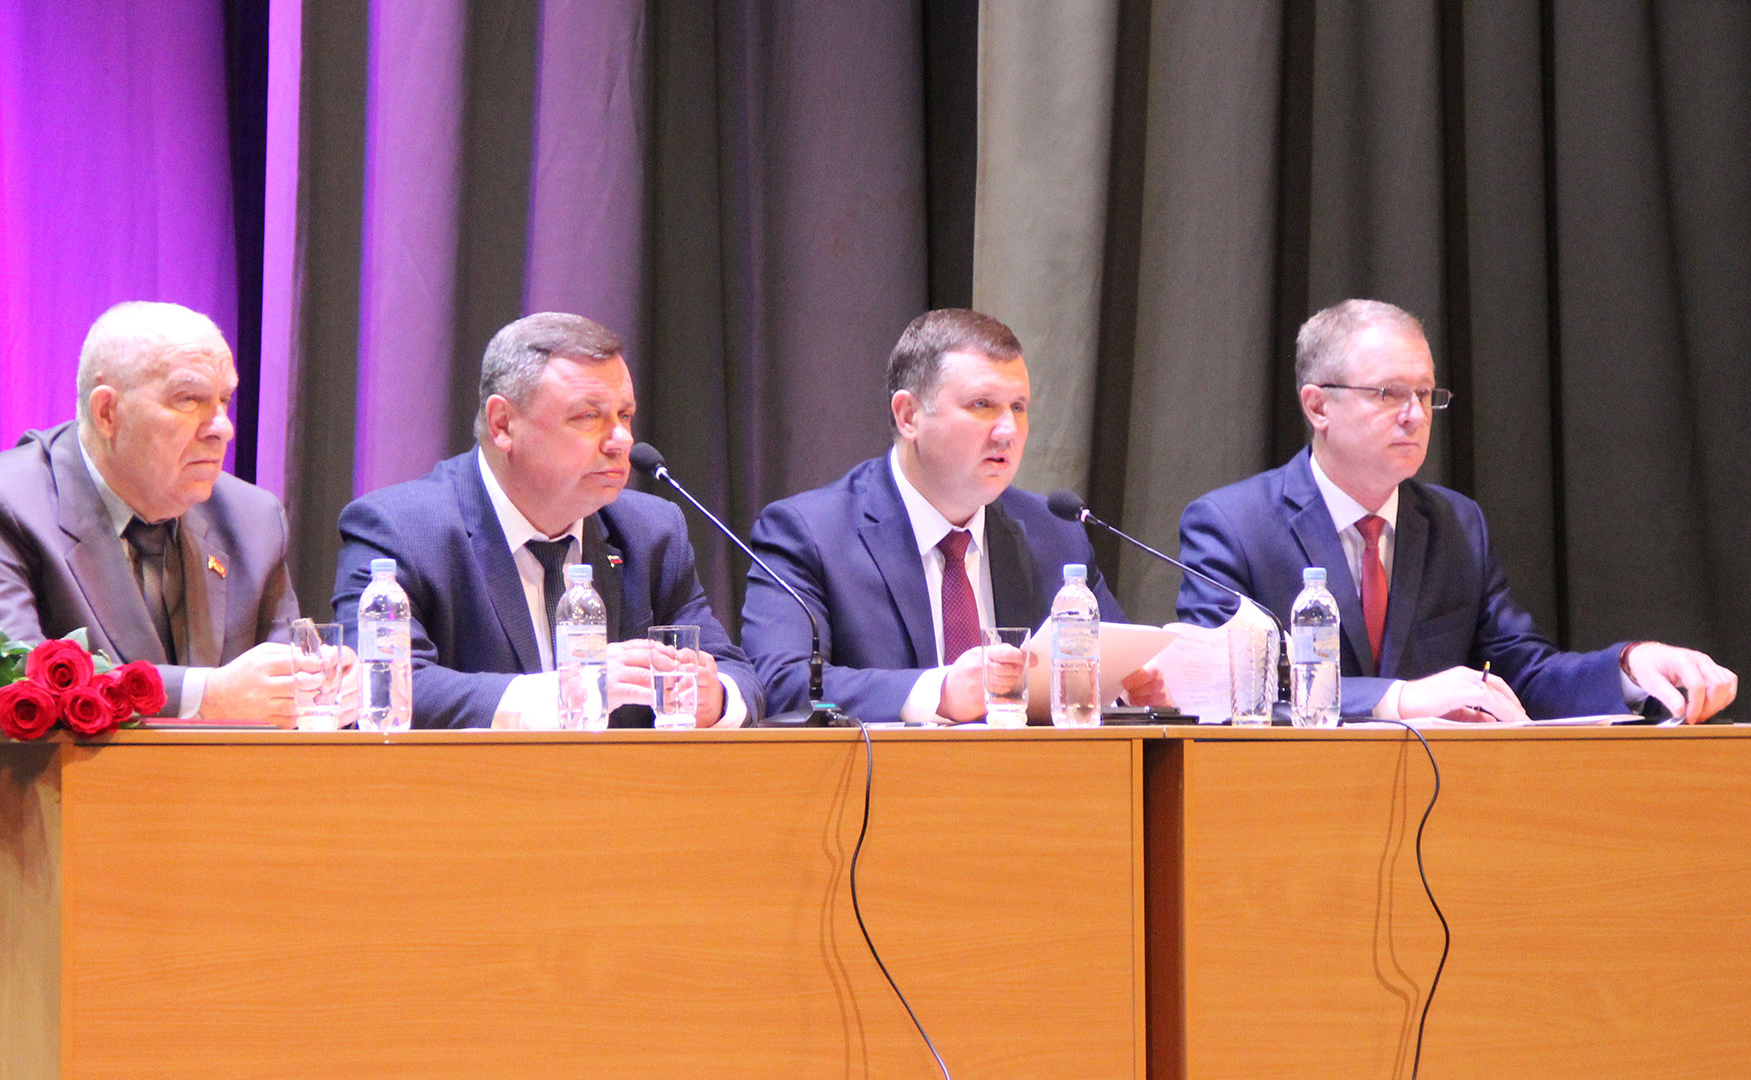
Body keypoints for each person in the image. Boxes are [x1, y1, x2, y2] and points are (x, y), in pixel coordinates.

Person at [1176, 298, 1736, 722]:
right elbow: (1220, 690)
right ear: (1318, 406)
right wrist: (1398, 699)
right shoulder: (1232, 527)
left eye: (1424, 394)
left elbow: (1523, 673)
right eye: (1388, 393)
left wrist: (1630, 666)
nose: (1415, 416)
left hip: (1442, 811)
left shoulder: (1457, 524)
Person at [0, 301, 339, 727]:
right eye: (189, 399)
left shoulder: (252, 519)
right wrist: (204, 695)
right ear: (107, 413)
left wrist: (319, 689)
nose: (222, 427)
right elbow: (8, 679)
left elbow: (284, 694)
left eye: (224, 399)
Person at [331, 312, 762, 729]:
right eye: (589, 416)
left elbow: (737, 673)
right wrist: (565, 694)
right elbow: (378, 687)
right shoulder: (400, 530)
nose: (622, 441)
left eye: (625, 416)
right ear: (503, 424)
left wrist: (715, 697)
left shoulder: (651, 531)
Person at [741, 308, 1169, 723]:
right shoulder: (810, 534)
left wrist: (1134, 691)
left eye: (1018, 407)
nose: (1008, 430)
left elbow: (1116, 669)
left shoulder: (1055, 533)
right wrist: (940, 693)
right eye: (982, 404)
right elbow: (779, 683)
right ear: (909, 416)